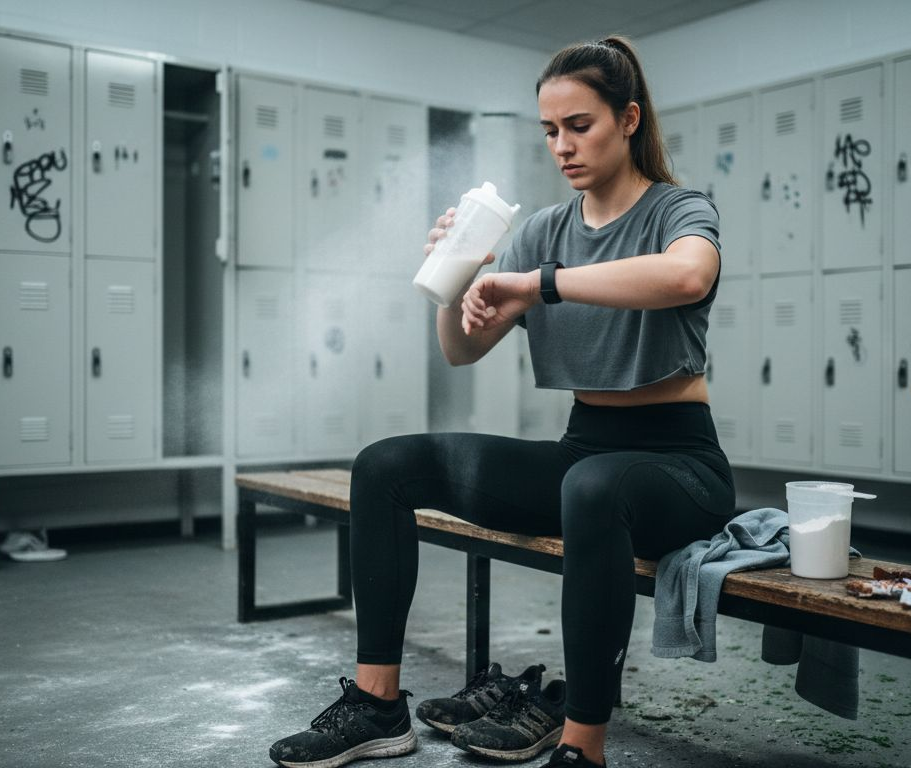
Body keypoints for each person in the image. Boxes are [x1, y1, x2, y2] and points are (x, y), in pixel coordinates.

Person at [269, 35, 736, 768]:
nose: (562, 146)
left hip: (679, 466)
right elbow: (462, 349)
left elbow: (685, 279)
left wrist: (539, 283)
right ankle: (377, 703)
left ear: (630, 119)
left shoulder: (679, 210)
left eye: (579, 125)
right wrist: (451, 277)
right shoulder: (544, 230)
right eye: (550, 130)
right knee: (385, 465)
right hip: (587, 454)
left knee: (592, 486)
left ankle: (583, 745)